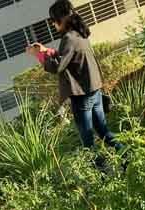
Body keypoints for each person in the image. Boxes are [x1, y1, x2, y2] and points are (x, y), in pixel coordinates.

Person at [27, 0, 122, 157]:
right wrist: (46, 50)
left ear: (60, 19)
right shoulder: (79, 34)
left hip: (82, 96)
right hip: (94, 91)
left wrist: (38, 54)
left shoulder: (69, 38)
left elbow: (57, 66)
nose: (52, 24)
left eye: (53, 20)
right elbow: (68, 57)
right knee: (104, 133)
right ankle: (128, 158)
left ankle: (103, 175)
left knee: (88, 143)